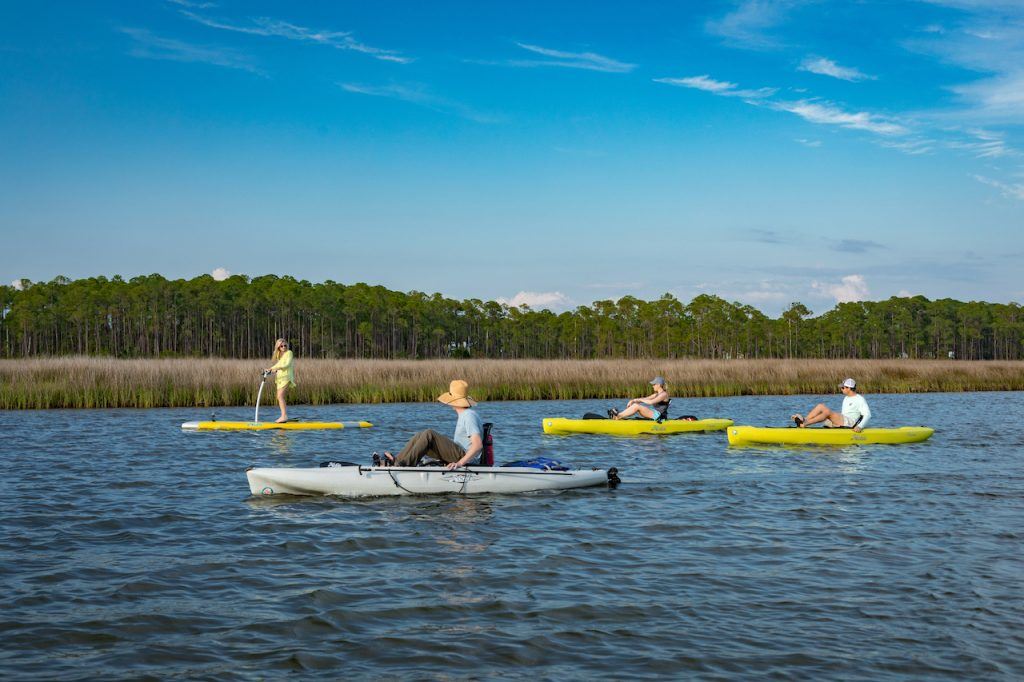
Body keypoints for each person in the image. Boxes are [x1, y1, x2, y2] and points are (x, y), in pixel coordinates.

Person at [383, 379, 483, 469]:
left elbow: (477, 445)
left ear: (454, 400)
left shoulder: (468, 415)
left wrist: (460, 464)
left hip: (466, 458)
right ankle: (397, 461)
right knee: (420, 436)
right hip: (460, 454)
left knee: (429, 434)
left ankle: (403, 465)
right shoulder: (465, 415)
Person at [792, 377, 871, 431]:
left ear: (849, 388)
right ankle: (804, 420)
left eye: (843, 387)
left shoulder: (860, 399)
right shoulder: (846, 398)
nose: (841, 389)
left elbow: (867, 415)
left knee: (827, 412)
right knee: (820, 406)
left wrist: (860, 426)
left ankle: (805, 424)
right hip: (844, 420)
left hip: (850, 423)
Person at [264, 338, 295, 423]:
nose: (284, 347)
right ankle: (283, 416)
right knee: (279, 397)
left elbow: (286, 365)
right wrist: (270, 369)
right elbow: (278, 365)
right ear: (278, 347)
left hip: (286, 377)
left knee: (280, 396)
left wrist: (276, 368)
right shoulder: (279, 356)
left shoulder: (289, 353)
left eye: (285, 345)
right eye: (281, 346)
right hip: (280, 378)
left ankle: (284, 416)